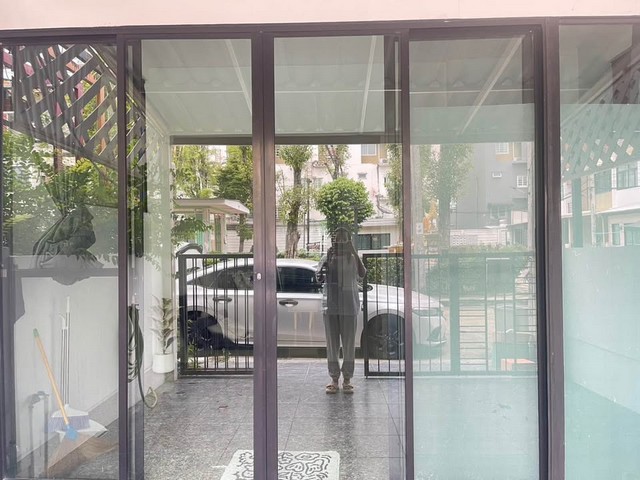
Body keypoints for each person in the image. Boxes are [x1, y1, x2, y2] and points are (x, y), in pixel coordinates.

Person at [317, 227, 366, 394]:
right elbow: (319, 278)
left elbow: (362, 274)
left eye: (343, 239)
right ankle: (334, 378)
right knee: (332, 344)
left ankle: (347, 379)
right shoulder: (327, 257)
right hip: (330, 306)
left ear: (349, 241)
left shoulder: (353, 258)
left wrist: (353, 252)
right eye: (337, 239)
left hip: (349, 306)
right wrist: (327, 260)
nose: (340, 242)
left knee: (349, 344)